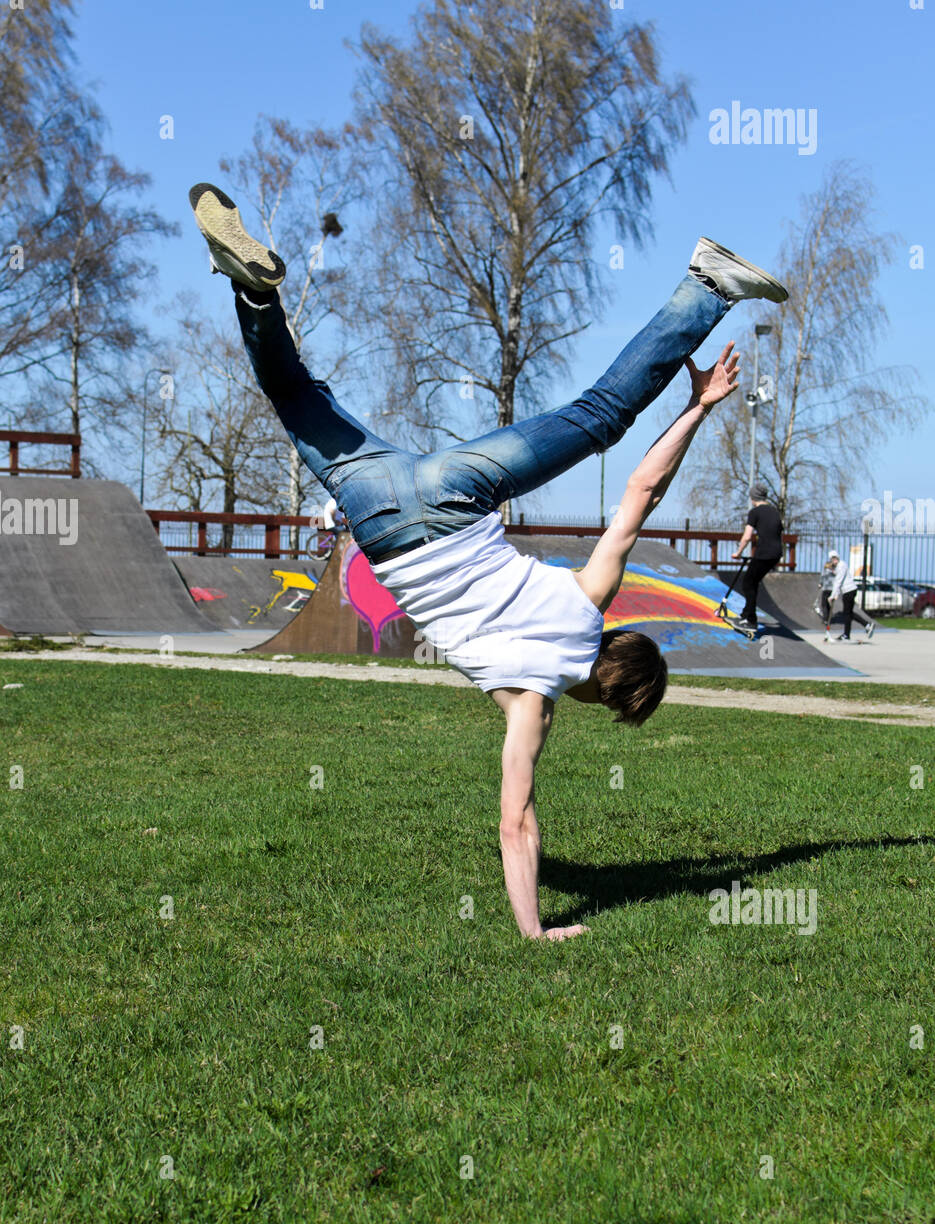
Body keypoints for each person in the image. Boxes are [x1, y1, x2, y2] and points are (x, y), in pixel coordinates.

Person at [189, 182, 788, 941]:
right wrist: (534, 929)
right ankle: (253, 301)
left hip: (453, 489)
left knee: (597, 416)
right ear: (601, 698)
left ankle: (707, 285)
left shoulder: (588, 598)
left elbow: (640, 488)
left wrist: (697, 407)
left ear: (616, 644)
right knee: (291, 392)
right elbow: (515, 823)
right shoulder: (530, 704)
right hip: (379, 513)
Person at [731, 482, 783, 632]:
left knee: (748, 582)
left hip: (764, 553)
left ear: (753, 498)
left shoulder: (755, 512)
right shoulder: (774, 511)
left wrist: (738, 553)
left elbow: (747, 537)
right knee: (753, 582)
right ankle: (746, 614)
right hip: (776, 553)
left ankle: (750, 620)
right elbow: (777, 531)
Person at [827, 550, 875, 642]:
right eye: (832, 559)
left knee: (847, 614)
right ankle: (867, 625)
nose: (834, 561)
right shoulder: (839, 566)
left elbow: (838, 581)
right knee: (849, 613)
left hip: (849, 591)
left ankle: (847, 634)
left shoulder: (841, 565)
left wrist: (833, 595)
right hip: (848, 591)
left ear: (837, 557)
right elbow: (838, 579)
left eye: (835, 558)